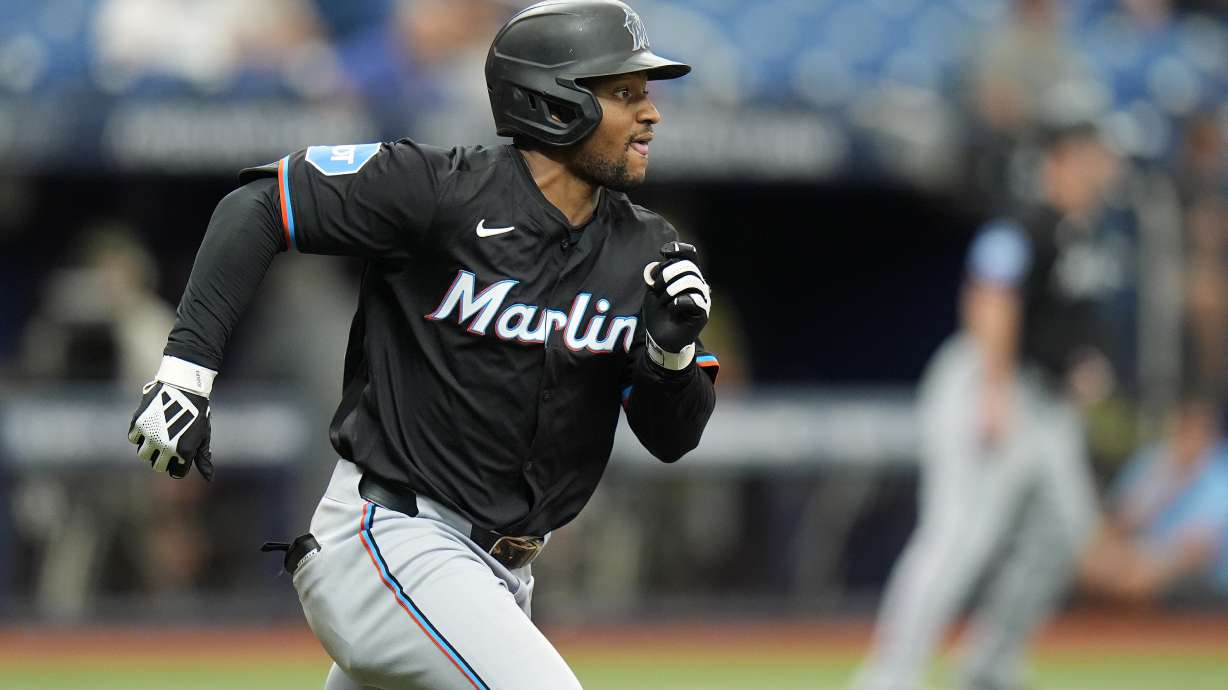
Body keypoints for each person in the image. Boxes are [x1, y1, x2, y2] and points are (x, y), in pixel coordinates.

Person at [124, 2, 718, 689]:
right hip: (391, 540)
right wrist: (185, 376)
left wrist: (671, 355)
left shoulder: (651, 250)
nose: (651, 114)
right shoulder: (442, 189)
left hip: (499, 576)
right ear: (557, 104)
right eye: (625, 94)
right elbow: (257, 206)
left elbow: (674, 436)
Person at [852, 112, 1123, 690]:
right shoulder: (1024, 221)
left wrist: (1083, 363)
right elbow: (990, 296)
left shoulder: (1083, 232)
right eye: (1090, 155)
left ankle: (990, 662)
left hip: (1046, 402)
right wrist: (995, 391)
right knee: (958, 538)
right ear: (1062, 160)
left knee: (1065, 533)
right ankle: (889, 676)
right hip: (989, 379)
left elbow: (1065, 322)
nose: (1102, 168)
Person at [1081, 390, 1228, 602]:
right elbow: (1116, 524)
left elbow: (1198, 551)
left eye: (1195, 431)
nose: (1187, 440)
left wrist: (1151, 562)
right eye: (1181, 429)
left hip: (1185, 571)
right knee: (1091, 560)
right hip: (1134, 556)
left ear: (1209, 436)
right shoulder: (1152, 460)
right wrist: (1166, 484)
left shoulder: (1220, 475)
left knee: (1138, 576)